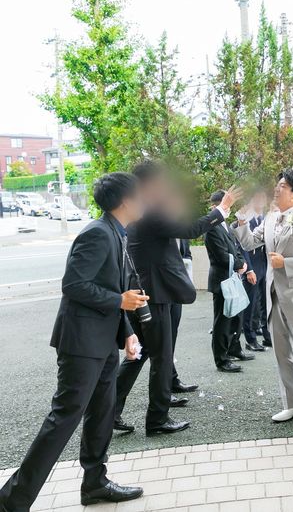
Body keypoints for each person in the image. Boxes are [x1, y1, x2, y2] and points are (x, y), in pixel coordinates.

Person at [0, 173, 147, 511]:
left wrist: (126, 330)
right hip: (81, 344)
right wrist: (119, 301)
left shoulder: (117, 232)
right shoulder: (98, 233)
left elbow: (110, 288)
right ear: (125, 201)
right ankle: (12, 500)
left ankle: (95, 483)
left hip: (103, 341)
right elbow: (74, 285)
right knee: (63, 419)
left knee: (101, 414)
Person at [114, 161, 242, 435]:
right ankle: (157, 420)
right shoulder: (150, 210)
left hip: (146, 290)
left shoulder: (141, 208)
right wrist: (222, 209)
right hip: (154, 293)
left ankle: (110, 410)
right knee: (160, 356)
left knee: (141, 352)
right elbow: (190, 229)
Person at [235, 168, 293, 422]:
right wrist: (241, 222)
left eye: (283, 186)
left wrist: (286, 263)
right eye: (277, 185)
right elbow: (249, 243)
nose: (277, 189)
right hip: (273, 295)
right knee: (282, 352)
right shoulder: (270, 218)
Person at [205, 189, 254, 372]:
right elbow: (220, 254)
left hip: (233, 277)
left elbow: (235, 248)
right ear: (216, 206)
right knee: (222, 321)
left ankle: (235, 348)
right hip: (221, 280)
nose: (229, 209)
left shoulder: (225, 224)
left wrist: (242, 263)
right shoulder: (211, 226)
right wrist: (239, 265)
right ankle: (222, 359)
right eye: (227, 205)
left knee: (236, 317)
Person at [238, 189, 271, 351]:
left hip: (266, 265)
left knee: (266, 302)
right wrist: (249, 270)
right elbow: (242, 246)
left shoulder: (267, 218)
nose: (260, 200)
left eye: (263, 197)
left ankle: (267, 335)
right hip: (253, 266)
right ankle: (250, 339)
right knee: (250, 305)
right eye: (257, 197)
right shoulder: (245, 219)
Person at [170, 239, 199, 394]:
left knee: (171, 337)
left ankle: (171, 380)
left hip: (177, 289)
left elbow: (186, 254)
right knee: (156, 345)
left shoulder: (180, 233)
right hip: (160, 290)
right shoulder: (158, 228)